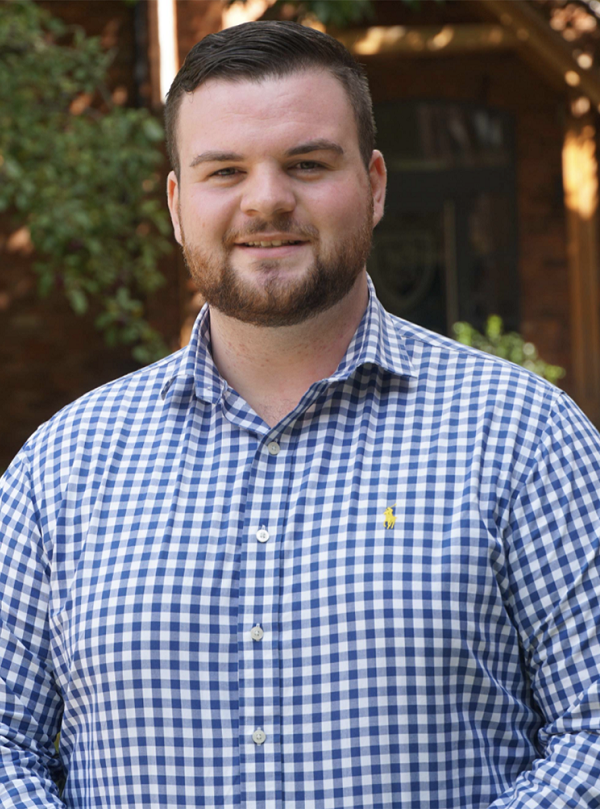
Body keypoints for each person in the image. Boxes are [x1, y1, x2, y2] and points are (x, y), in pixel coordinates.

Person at [1, 19, 600, 809]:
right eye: (224, 171)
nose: (268, 200)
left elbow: (589, 732)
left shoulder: (526, 438)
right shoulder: (60, 470)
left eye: (308, 164)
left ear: (376, 185)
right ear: (178, 204)